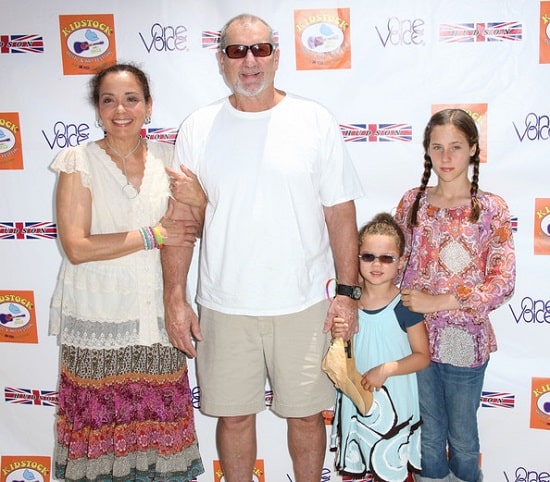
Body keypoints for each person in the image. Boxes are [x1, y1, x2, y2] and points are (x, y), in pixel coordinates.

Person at [162, 13, 364, 482]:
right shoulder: (198, 126)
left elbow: (340, 213)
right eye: (237, 51)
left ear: (277, 54)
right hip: (223, 306)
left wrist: (348, 296)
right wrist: (175, 296)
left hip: (303, 304)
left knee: (307, 417)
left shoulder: (313, 120)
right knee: (233, 418)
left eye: (260, 49)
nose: (249, 61)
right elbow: (182, 219)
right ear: (221, 60)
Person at [49, 63, 205, 482]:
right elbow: (77, 247)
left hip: (156, 320)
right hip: (97, 323)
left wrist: (200, 205)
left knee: (161, 449)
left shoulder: (172, 162)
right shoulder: (77, 161)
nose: (121, 109)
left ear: (148, 106)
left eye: (131, 99)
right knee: (99, 451)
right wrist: (153, 234)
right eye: (109, 100)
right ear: (97, 109)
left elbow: (194, 230)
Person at [394, 108, 516, 482]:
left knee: (462, 437)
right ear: (427, 151)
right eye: (438, 147)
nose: (446, 158)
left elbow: (503, 280)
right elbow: (395, 262)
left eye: (456, 147)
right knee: (428, 433)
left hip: (464, 338)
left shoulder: (490, 208)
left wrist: (442, 301)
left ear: (474, 150)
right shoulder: (413, 202)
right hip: (416, 338)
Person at [328, 212, 430, 481]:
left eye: (387, 258)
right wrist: (340, 334)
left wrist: (386, 369)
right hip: (357, 398)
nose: (377, 264)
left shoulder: (405, 305)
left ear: (401, 261)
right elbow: (344, 349)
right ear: (357, 257)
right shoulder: (350, 303)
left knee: (390, 469)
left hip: (395, 399)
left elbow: (422, 357)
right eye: (368, 256)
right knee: (360, 469)